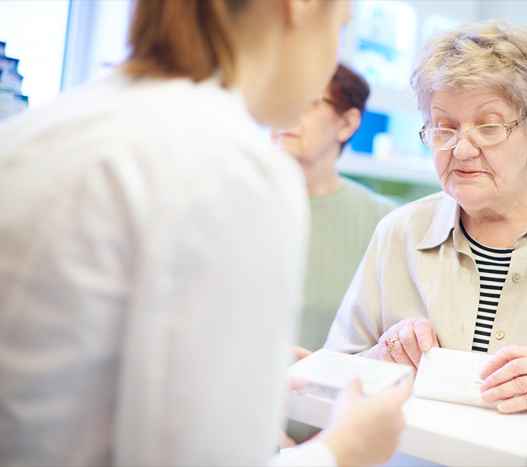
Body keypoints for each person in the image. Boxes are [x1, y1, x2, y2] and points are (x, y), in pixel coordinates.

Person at [0, 1, 411, 466]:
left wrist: (231, 369)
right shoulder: (229, 165)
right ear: (297, 8)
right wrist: (345, 450)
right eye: (340, 24)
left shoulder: (46, 128)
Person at [324, 22, 527, 414]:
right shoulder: (399, 232)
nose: (462, 149)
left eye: (488, 127)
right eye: (444, 127)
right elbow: (330, 378)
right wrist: (381, 358)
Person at [274, 64, 395, 352]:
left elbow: (388, 340)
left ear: (347, 123)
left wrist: (326, 368)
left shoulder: (383, 222)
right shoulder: (236, 203)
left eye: (308, 102)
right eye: (279, 99)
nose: (286, 114)